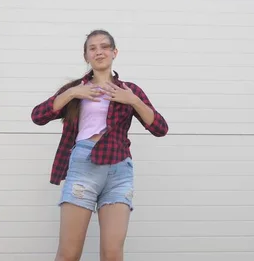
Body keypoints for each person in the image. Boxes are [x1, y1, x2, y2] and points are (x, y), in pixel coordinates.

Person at [30, 29, 169, 261]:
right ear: (86, 56)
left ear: (114, 52)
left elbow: (160, 128)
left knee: (112, 254)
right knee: (69, 253)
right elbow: (38, 116)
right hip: (84, 166)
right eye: (92, 48)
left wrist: (133, 101)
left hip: (119, 170)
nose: (99, 52)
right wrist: (73, 92)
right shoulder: (77, 90)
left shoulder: (129, 91)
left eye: (104, 47)